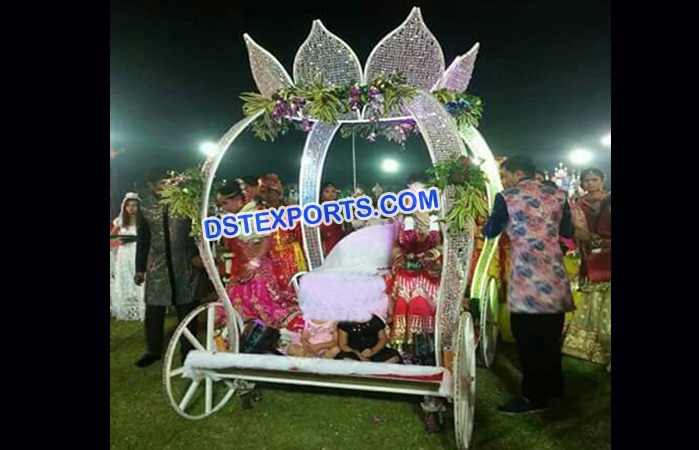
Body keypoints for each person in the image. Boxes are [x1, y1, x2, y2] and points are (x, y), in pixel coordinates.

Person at [483, 155, 575, 414]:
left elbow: (490, 231)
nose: (504, 180)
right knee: (550, 335)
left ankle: (533, 397)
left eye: (506, 175)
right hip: (554, 272)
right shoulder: (559, 195)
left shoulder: (507, 197)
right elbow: (567, 231)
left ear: (516, 173)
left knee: (528, 339)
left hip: (527, 276)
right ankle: (555, 387)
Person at [133, 168, 210, 368]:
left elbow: (198, 231)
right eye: (161, 183)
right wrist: (140, 267)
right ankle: (153, 350)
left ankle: (188, 352)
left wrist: (198, 255)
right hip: (158, 266)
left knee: (187, 309)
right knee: (154, 310)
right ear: (151, 185)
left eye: (169, 182)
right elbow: (143, 238)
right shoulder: (145, 206)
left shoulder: (185, 203)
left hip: (185, 264)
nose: (167, 186)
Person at [217, 181, 303, 331]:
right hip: (244, 268)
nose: (223, 208)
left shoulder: (254, 213)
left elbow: (266, 239)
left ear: (238, 200)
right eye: (221, 204)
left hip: (257, 268)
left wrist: (254, 264)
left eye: (225, 203)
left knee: (262, 306)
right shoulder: (239, 215)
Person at [388, 173, 442, 358]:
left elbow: (445, 243)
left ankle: (427, 348)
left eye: (421, 190)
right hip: (407, 269)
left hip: (431, 271)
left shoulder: (439, 215)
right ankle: (405, 348)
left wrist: (433, 254)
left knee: (421, 300)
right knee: (405, 297)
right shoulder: (401, 216)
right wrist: (400, 256)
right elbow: (395, 244)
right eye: (412, 190)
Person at [562, 168, 611, 365]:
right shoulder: (578, 204)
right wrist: (590, 238)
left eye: (595, 179)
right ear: (582, 183)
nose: (591, 183)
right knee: (593, 299)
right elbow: (578, 230)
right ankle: (591, 346)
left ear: (602, 181)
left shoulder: (609, 200)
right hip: (592, 256)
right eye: (587, 180)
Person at [259, 174, 308, 286]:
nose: (267, 195)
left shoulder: (291, 210)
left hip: (292, 255)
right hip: (270, 256)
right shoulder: (259, 213)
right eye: (264, 191)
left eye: (270, 191)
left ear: (277, 192)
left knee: (296, 286)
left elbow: (300, 234)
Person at [111, 192, 145, 321]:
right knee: (126, 278)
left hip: (138, 252)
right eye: (129, 206)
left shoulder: (142, 222)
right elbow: (112, 236)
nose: (131, 208)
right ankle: (127, 308)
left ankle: (142, 306)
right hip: (125, 253)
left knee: (139, 278)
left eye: (134, 205)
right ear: (124, 207)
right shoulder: (120, 222)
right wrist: (119, 240)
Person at [335, 314, 402, 363]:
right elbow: (343, 345)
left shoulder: (375, 320)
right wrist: (359, 355)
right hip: (353, 352)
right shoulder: (345, 323)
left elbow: (383, 339)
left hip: (375, 350)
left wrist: (372, 351)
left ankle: (376, 372)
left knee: (394, 357)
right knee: (346, 361)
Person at [319, 182, 347, 256]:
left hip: (340, 241)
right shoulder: (318, 210)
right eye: (327, 191)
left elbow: (347, 227)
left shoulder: (341, 208)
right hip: (326, 242)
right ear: (322, 195)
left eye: (333, 191)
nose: (330, 193)